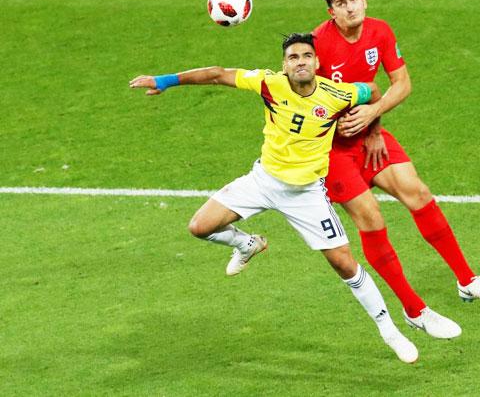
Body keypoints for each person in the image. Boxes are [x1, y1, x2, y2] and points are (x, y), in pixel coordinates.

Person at [129, 33, 419, 363]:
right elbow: (217, 74)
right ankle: (247, 244)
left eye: (306, 56)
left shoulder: (339, 93)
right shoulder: (269, 84)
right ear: (284, 65)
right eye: (293, 57)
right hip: (263, 181)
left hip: (306, 194)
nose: (300, 62)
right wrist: (165, 81)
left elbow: (375, 92)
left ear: (316, 62)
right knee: (199, 226)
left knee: (344, 263)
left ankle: (389, 331)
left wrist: (373, 125)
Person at [311, 0, 480, 339]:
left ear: (365, 1)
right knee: (371, 218)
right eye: (341, 3)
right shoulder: (318, 44)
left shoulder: (379, 32)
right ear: (331, 11)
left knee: (417, 192)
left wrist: (372, 122)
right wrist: (328, 126)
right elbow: (306, 97)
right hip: (331, 150)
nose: (351, 6)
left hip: (369, 135)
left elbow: (400, 83)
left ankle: (467, 280)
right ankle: (414, 310)